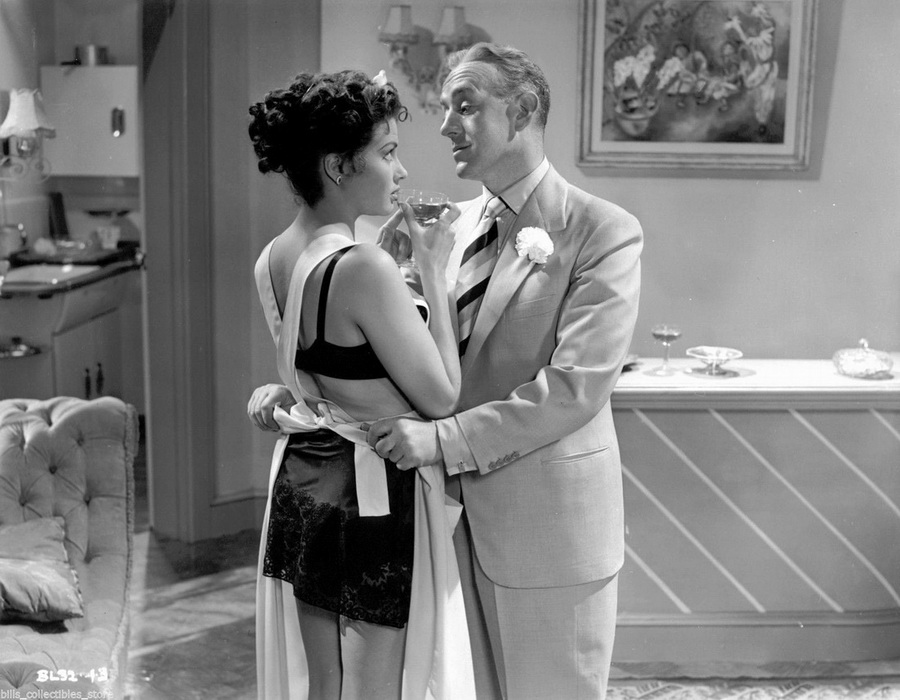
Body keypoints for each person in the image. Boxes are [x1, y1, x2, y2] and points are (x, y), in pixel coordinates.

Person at [368, 43, 643, 700]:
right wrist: (305, 392)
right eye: (445, 107)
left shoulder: (602, 231)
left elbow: (574, 389)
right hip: (440, 526)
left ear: (521, 111)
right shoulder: (443, 228)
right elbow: (396, 352)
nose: (444, 125)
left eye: (465, 106)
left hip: (547, 535)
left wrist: (442, 440)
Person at [246, 69, 474, 700]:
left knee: (322, 685)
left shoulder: (273, 259)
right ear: (338, 166)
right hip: (373, 495)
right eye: (388, 152)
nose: (400, 170)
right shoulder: (364, 266)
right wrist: (431, 269)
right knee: (378, 688)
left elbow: (314, 379)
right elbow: (442, 398)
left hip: (306, 483)